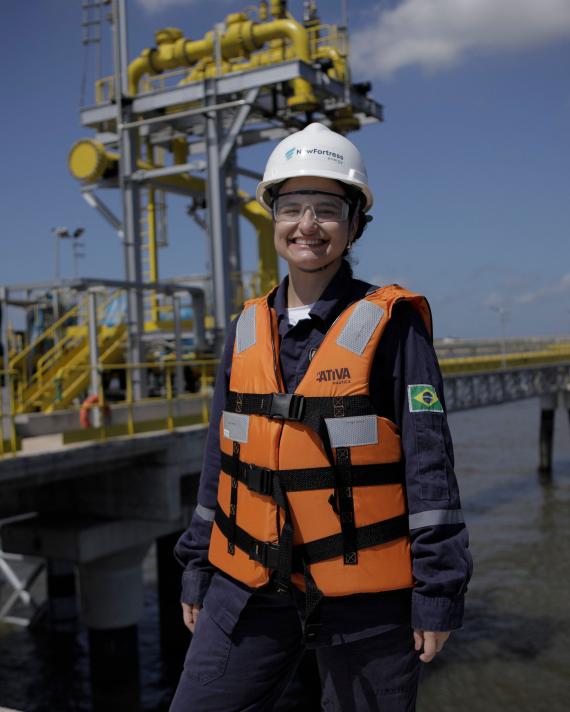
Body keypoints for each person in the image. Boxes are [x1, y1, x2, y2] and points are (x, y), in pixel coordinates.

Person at [170, 122, 473, 712]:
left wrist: (437, 592)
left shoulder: (393, 325)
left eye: (327, 209)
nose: (307, 224)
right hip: (246, 584)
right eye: (292, 207)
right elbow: (220, 461)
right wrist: (196, 564)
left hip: (366, 595)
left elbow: (430, 469)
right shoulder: (246, 329)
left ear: (355, 223)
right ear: (272, 217)